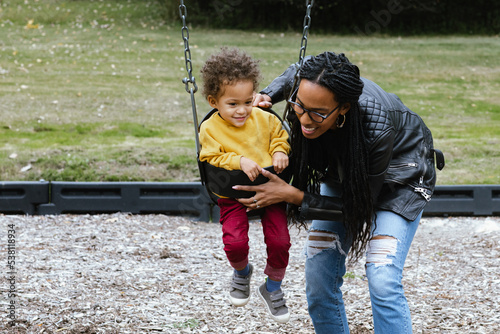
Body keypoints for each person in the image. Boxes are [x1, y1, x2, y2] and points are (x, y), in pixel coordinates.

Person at [234, 51, 444, 333]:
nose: (305, 120)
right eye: (300, 105)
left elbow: (358, 207)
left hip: (401, 178)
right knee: (319, 278)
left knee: (382, 275)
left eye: (318, 113)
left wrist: (292, 195)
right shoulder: (308, 97)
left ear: (343, 108)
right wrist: (269, 95)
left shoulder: (376, 129)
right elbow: (297, 70)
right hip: (347, 172)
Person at [199, 47, 292, 323]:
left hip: (271, 190)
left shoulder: (263, 118)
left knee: (280, 241)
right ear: (214, 101)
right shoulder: (211, 128)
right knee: (235, 244)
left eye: (248, 101)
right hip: (232, 193)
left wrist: (279, 151)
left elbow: (279, 136)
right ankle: (242, 273)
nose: (242, 111)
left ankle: (272, 287)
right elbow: (210, 156)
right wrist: (239, 161)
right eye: (233, 104)